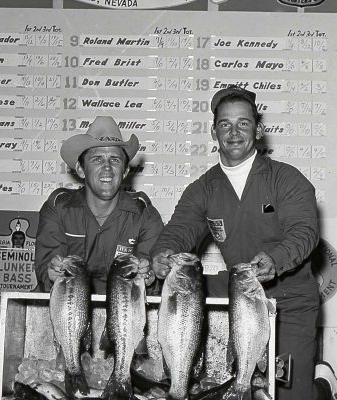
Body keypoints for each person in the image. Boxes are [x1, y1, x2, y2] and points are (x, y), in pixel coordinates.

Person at [151, 86, 320, 400]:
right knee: (242, 388)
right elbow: (179, 229)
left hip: (290, 304)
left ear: (258, 130)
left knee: (289, 394)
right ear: (213, 131)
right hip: (240, 299)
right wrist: (163, 253)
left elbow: (304, 231)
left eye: (243, 123)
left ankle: (320, 388)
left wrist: (276, 257)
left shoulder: (287, 179)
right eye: (225, 124)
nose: (234, 131)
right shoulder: (203, 188)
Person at [35, 115, 164, 295]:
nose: (107, 167)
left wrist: (150, 279)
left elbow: (155, 284)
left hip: (124, 311)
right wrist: (51, 274)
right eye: (97, 159)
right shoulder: (58, 209)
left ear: (126, 170)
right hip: (67, 306)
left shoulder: (145, 215)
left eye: (115, 160)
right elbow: (44, 272)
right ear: (80, 169)